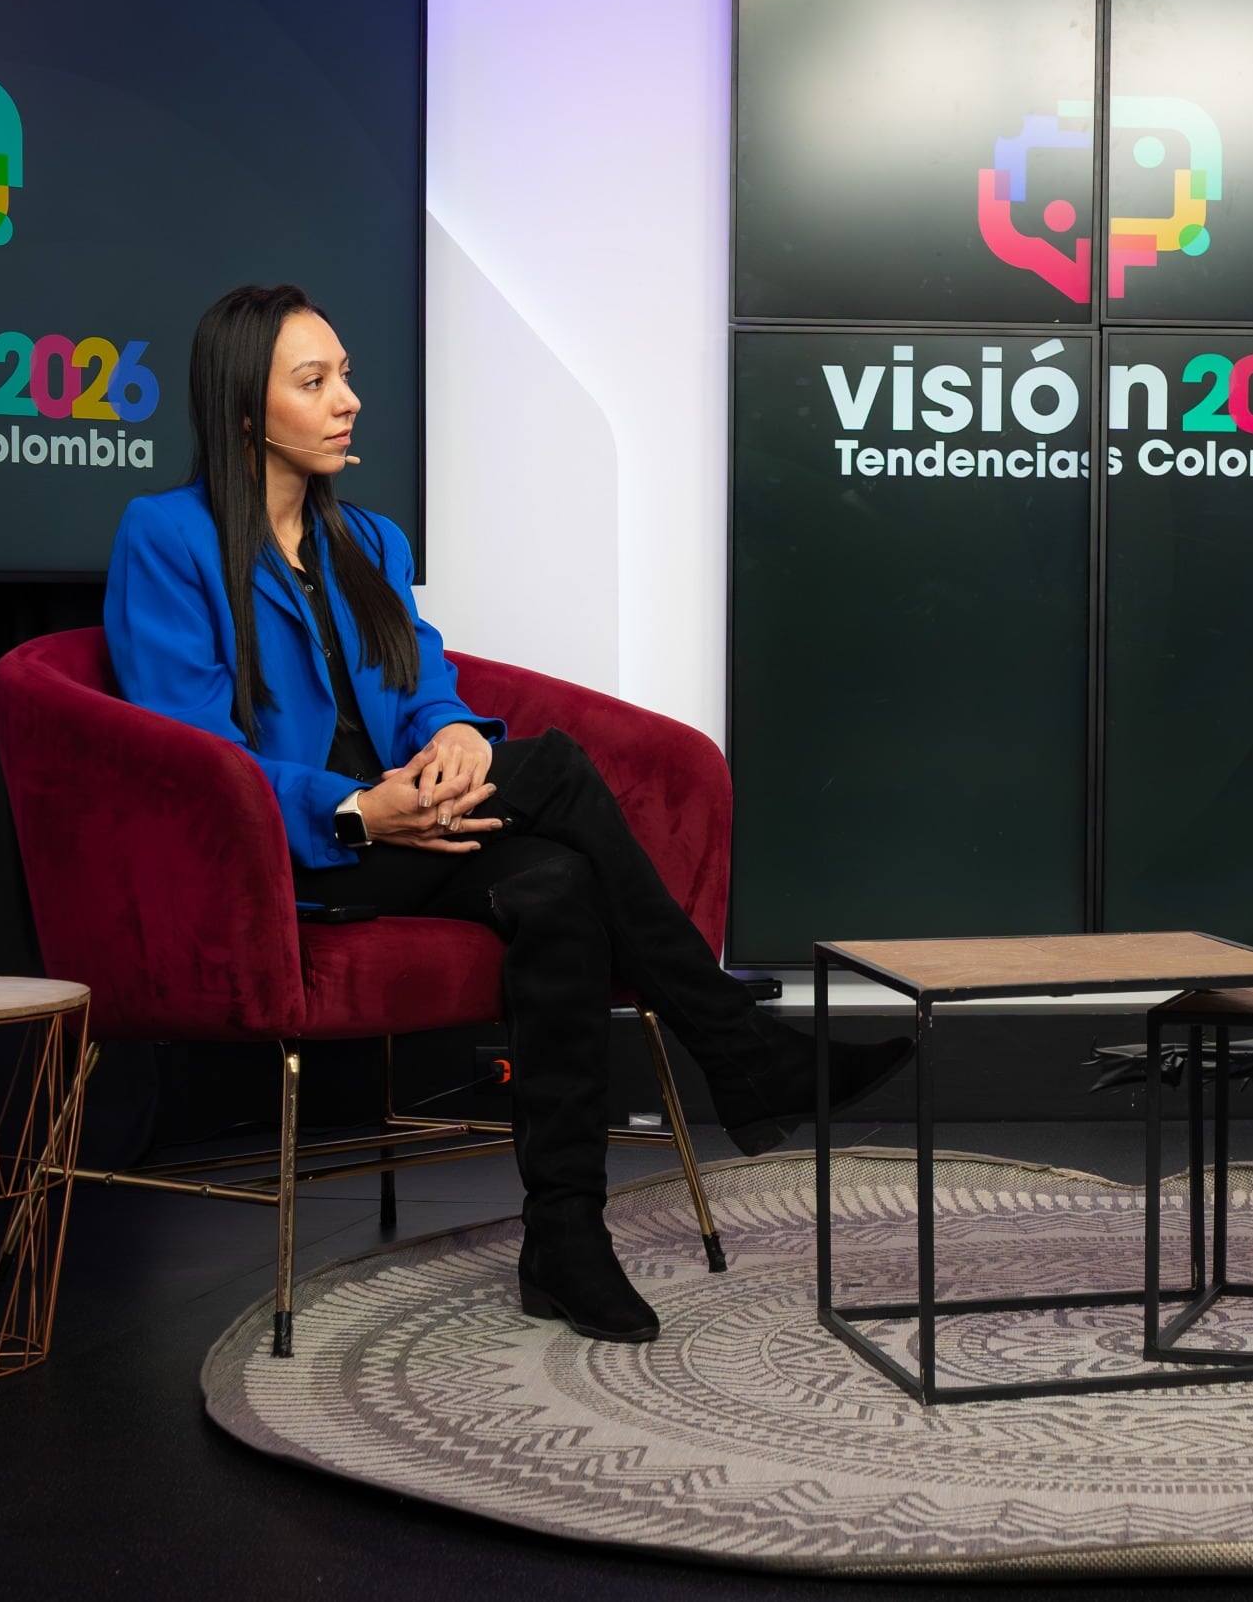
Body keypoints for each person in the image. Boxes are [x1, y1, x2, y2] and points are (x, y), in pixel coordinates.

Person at [105, 284, 910, 1345]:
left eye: (346, 373)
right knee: (560, 767)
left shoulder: (368, 541)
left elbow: (421, 682)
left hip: (412, 831)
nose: (348, 399)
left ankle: (564, 1239)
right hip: (292, 854)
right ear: (245, 410)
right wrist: (356, 810)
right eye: (315, 381)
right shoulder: (166, 537)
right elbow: (195, 755)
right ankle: (738, 1043)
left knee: (557, 884)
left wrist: (457, 737)